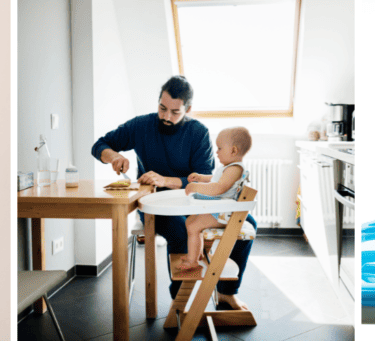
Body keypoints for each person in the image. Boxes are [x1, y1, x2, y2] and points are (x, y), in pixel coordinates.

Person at [92, 75, 257, 310]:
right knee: (180, 231)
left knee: (246, 221)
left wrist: (167, 180)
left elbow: (204, 176)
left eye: (175, 112)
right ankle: (180, 302)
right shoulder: (141, 125)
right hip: (155, 205)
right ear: (158, 102)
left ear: (188, 109)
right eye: (162, 108)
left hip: (194, 202)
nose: (166, 116)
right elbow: (99, 145)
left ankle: (226, 293)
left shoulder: (198, 132)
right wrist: (114, 156)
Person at [179, 127, 252, 270]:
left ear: (233, 151)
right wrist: (201, 178)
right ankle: (196, 254)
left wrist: (196, 186)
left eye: (219, 148)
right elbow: (215, 180)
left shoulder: (234, 169)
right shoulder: (229, 168)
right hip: (220, 211)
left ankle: (192, 261)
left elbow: (218, 188)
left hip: (224, 214)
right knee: (190, 222)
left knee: (193, 226)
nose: (216, 152)